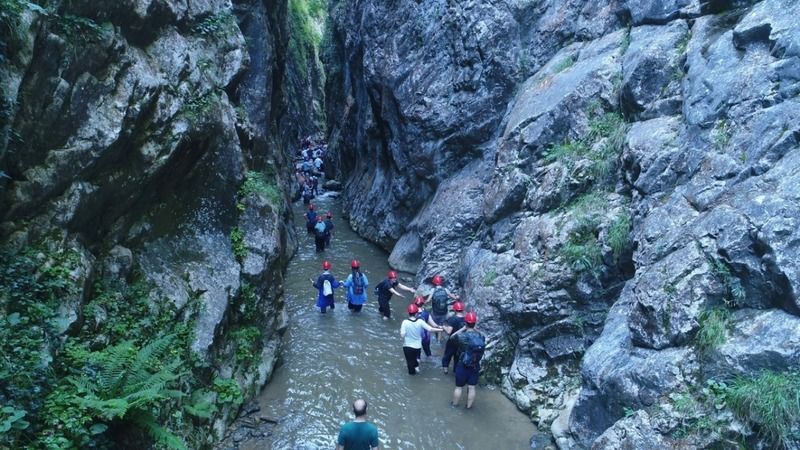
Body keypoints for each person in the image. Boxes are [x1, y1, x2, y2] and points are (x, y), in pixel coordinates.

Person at [451, 312, 485, 409]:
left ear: (465, 323)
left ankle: (454, 405)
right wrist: (476, 329)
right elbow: (483, 337)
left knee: (459, 387)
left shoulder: (461, 336)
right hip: (475, 365)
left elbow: (452, 337)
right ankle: (468, 407)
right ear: (475, 323)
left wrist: (462, 329)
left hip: (462, 364)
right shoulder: (481, 336)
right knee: (472, 387)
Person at [400, 304, 443, 375]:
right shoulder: (420, 322)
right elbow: (430, 329)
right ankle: (417, 369)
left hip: (407, 346)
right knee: (415, 359)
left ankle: (412, 377)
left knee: (409, 362)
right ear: (416, 313)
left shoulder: (405, 322)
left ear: (408, 313)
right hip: (417, 347)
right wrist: (441, 330)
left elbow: (402, 335)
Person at [426, 275, 459, 339]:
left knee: (434, 324)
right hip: (444, 312)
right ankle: (439, 340)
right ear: (441, 283)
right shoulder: (445, 290)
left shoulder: (433, 290)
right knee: (441, 325)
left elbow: (428, 300)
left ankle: (433, 338)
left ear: (434, 283)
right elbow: (454, 297)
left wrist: (424, 301)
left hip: (435, 312)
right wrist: (457, 297)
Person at [441, 301, 466, 374]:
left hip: (452, 341)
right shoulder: (465, 319)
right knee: (457, 357)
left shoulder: (453, 318)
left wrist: (444, 327)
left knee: (447, 355)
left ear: (454, 309)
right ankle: (455, 370)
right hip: (461, 342)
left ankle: (445, 369)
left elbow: (449, 331)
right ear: (462, 309)